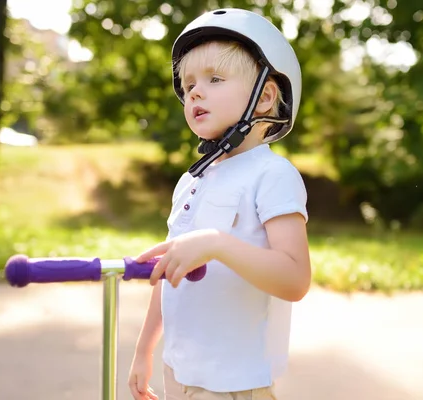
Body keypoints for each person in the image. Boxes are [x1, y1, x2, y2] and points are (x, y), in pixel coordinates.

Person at [128, 8, 311, 400]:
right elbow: (171, 276)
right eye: (188, 83)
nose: (194, 91)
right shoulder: (192, 180)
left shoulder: (272, 175)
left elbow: (295, 279)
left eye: (214, 79)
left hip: (233, 383)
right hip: (178, 371)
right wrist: (144, 350)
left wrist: (216, 244)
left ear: (263, 96)